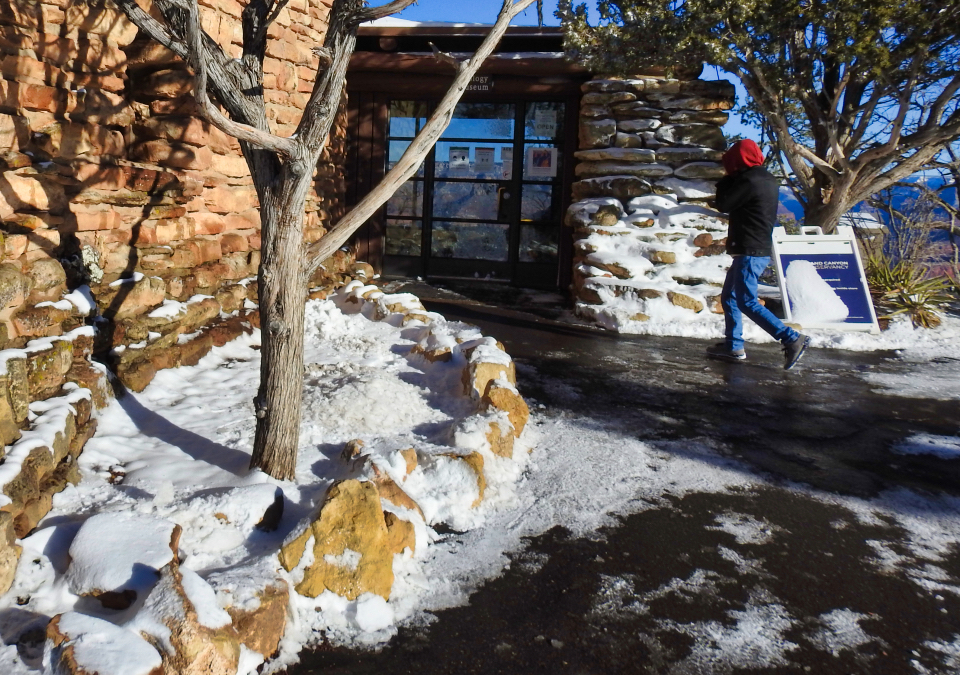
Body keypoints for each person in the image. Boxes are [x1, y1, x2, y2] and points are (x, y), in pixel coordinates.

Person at [707, 139, 810, 370]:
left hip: (750, 250)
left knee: (746, 301)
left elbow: (723, 203)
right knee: (730, 298)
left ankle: (791, 338)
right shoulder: (765, 178)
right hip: (754, 248)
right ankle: (733, 347)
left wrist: (724, 182)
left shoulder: (749, 180)